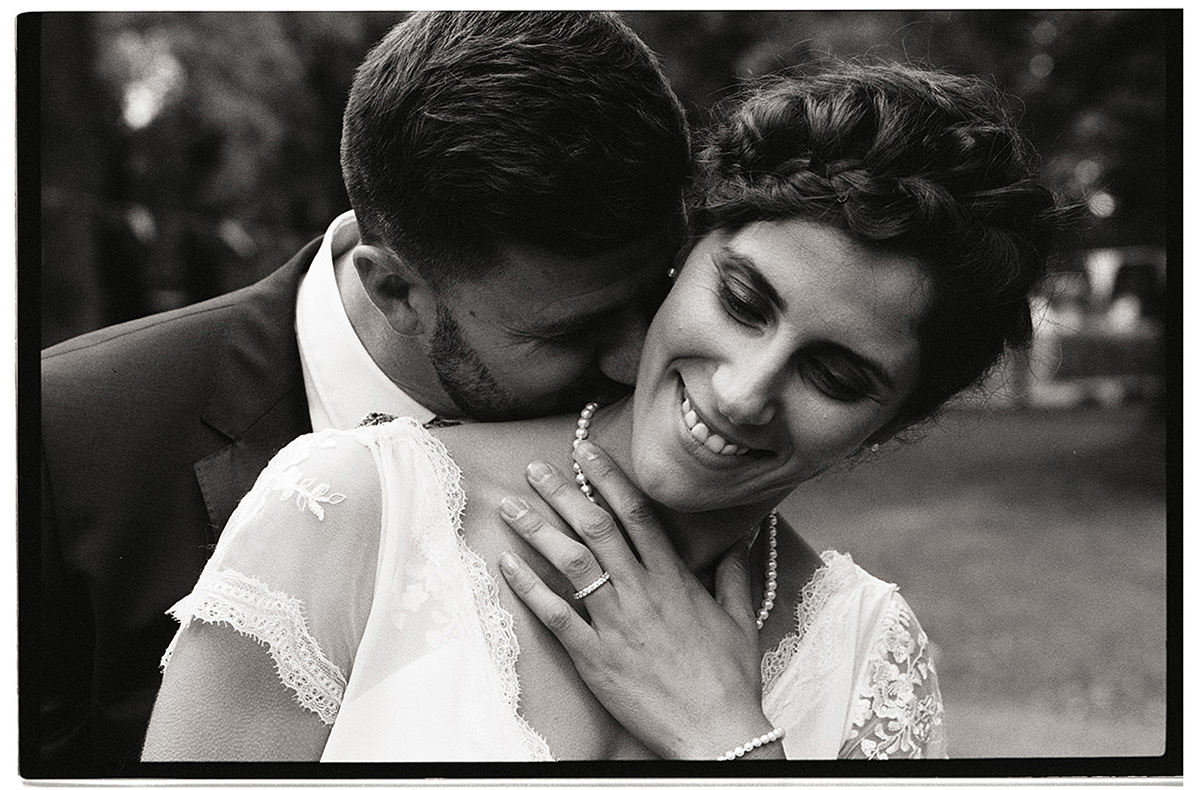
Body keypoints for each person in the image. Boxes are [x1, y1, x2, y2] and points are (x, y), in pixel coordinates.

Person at [140, 62, 1063, 761]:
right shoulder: (351, 510)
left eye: (836, 375)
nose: (744, 390)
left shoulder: (867, 651)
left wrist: (727, 741)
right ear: (683, 255)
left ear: (892, 422)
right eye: (743, 302)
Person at [37, 11, 690, 766]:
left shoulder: (669, 451)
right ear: (394, 289)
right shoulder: (60, 437)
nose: (639, 361)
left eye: (659, 292)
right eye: (572, 332)